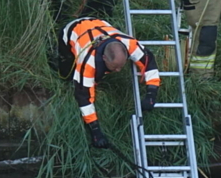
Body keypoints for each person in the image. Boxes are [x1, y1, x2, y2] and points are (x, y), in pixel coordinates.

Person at [59, 17, 161, 149]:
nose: (118, 71)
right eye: (114, 67)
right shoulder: (87, 63)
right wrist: (95, 130)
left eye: (121, 66)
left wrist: (151, 93)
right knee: (67, 73)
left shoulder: (129, 44)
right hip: (71, 31)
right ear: (104, 58)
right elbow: (84, 98)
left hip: (97, 23)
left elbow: (149, 63)